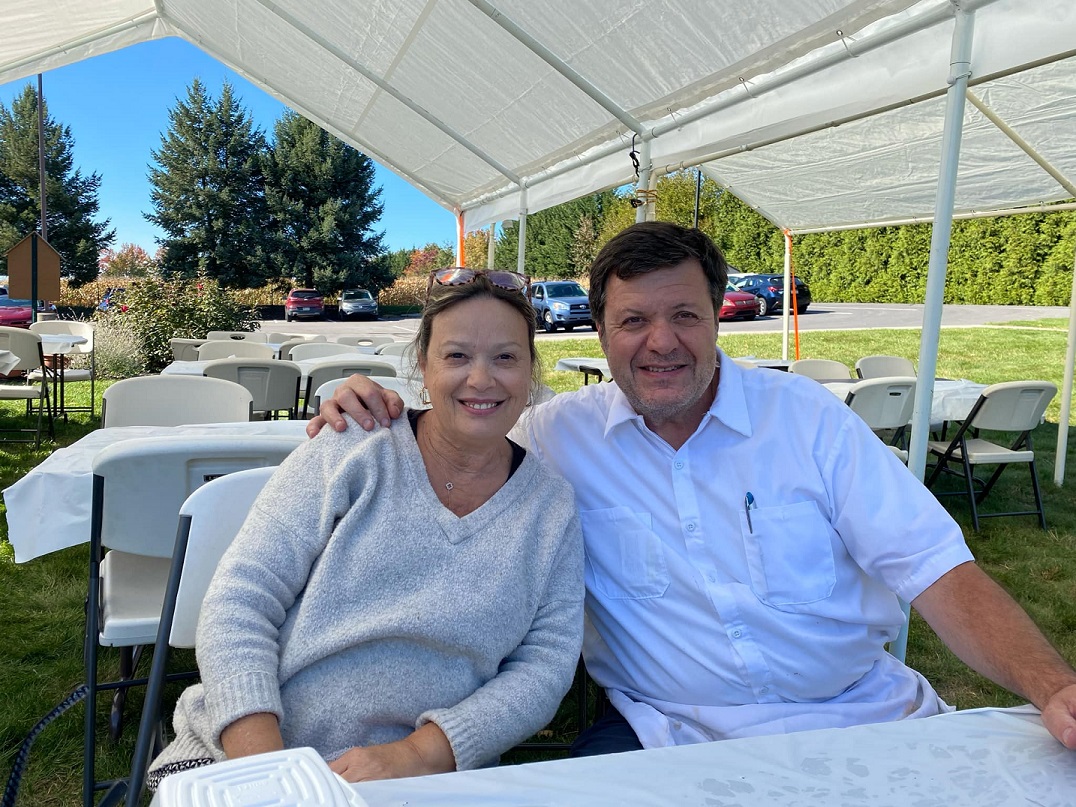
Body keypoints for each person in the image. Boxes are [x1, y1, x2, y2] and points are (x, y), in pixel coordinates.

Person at [310, 222, 1076, 756]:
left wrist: (1053, 687)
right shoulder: (558, 435)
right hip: (666, 735)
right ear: (601, 333)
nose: (662, 341)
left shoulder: (807, 419)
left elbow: (938, 569)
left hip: (859, 716)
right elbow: (463, 424)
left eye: (684, 314)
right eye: (633, 320)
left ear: (718, 319)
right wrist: (372, 408)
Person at [147, 267, 584, 788]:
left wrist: (417, 755)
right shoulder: (353, 447)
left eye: (506, 357)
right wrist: (268, 770)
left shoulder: (550, 506)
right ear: (422, 365)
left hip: (424, 779)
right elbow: (241, 599)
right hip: (250, 752)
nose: (481, 379)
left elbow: (545, 666)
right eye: (456, 356)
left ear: (531, 371)